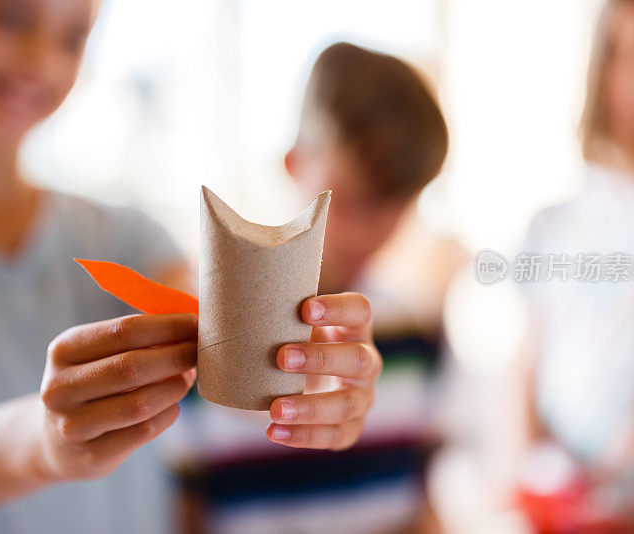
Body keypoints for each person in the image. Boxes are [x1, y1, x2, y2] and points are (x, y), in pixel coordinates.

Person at [0, 1, 382, 533]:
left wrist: (311, 375)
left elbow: (226, 363)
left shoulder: (124, 237)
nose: (40, 61)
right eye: (9, 18)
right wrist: (40, 442)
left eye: (72, 37)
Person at [168, 42, 462, 534]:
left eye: (394, 208)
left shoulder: (417, 331)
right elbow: (185, 513)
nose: (368, 231)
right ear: (294, 162)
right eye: (351, 202)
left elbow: (421, 501)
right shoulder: (206, 339)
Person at [516, 0, 634, 531]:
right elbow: (527, 365)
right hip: (563, 509)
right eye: (622, 54)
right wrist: (533, 482)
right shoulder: (554, 223)